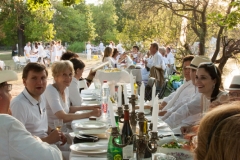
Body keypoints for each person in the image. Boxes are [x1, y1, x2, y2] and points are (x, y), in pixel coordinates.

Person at [0, 70, 62, 160]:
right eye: (7, 90)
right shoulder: (7, 123)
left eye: (43, 78)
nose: (10, 96)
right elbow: (53, 156)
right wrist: (38, 140)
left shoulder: (41, 97)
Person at [11, 63, 67, 146]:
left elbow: (41, 124)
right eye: (34, 78)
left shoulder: (42, 96)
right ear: (24, 81)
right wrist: (48, 139)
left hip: (47, 145)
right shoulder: (18, 104)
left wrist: (52, 132)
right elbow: (18, 141)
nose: (40, 82)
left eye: (43, 78)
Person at [44, 61, 101, 129]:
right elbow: (63, 117)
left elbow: (69, 109)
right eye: (64, 75)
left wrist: (92, 107)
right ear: (56, 77)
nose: (68, 78)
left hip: (66, 128)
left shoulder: (65, 88)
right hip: (55, 133)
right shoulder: (50, 90)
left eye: (70, 74)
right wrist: (90, 114)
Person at [163, 56, 211, 129]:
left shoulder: (204, 93)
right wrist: (163, 120)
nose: (197, 79)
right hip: (187, 127)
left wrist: (163, 125)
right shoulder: (196, 89)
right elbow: (182, 104)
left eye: (203, 77)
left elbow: (186, 109)